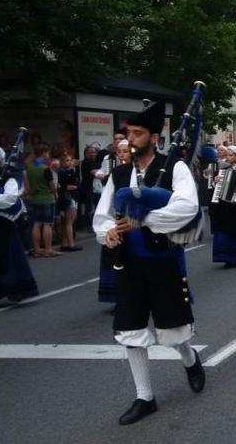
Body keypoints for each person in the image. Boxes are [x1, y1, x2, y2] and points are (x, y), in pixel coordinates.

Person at [93, 101, 205, 425]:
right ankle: (145, 396)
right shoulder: (119, 172)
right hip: (129, 263)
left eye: (138, 133)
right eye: (129, 133)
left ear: (155, 137)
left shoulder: (175, 168)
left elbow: (188, 208)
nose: (131, 138)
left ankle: (189, 358)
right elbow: (102, 214)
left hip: (163, 261)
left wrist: (145, 218)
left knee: (174, 329)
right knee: (130, 329)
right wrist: (109, 232)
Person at [0, 145, 39, 312]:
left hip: (0, 225)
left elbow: (11, 199)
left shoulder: (8, 177)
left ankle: (14, 290)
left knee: (4, 259)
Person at [98, 140, 132, 306]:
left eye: (126, 151)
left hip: (134, 222)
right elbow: (108, 200)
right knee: (115, 259)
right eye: (120, 151)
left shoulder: (142, 171)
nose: (122, 154)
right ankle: (117, 297)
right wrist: (108, 226)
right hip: (118, 221)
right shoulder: (116, 173)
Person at [26, 145, 60, 258]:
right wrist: (55, 194)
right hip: (46, 198)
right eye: (47, 153)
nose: (48, 155)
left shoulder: (29, 167)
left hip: (35, 199)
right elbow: (52, 185)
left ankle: (37, 249)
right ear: (44, 153)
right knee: (47, 224)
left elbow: (27, 186)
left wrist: (31, 194)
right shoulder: (45, 168)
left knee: (36, 223)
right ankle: (49, 249)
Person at [57, 154, 82, 252]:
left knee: (69, 221)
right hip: (68, 197)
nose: (70, 162)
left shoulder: (70, 171)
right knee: (69, 221)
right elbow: (67, 185)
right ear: (62, 162)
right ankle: (71, 244)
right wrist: (76, 186)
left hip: (73, 196)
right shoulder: (63, 172)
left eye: (71, 160)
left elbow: (76, 183)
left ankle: (65, 243)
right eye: (67, 160)